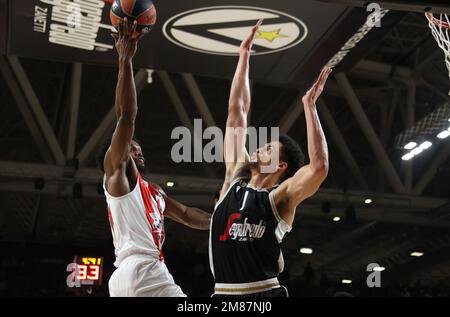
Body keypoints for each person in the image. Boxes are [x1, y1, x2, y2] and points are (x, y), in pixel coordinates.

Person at [209, 20, 332, 297]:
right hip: (223, 295)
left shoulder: (280, 199)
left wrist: (309, 107)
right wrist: (244, 55)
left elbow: (319, 167)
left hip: (263, 294)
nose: (258, 149)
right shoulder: (234, 179)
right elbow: (236, 111)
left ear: (280, 166)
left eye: (267, 149)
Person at [97, 18, 211, 297]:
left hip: (125, 280)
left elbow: (186, 215)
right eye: (129, 146)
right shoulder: (117, 177)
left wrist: (220, 219)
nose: (135, 148)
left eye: (137, 147)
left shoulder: (155, 193)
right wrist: (125, 60)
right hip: (143, 269)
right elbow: (126, 118)